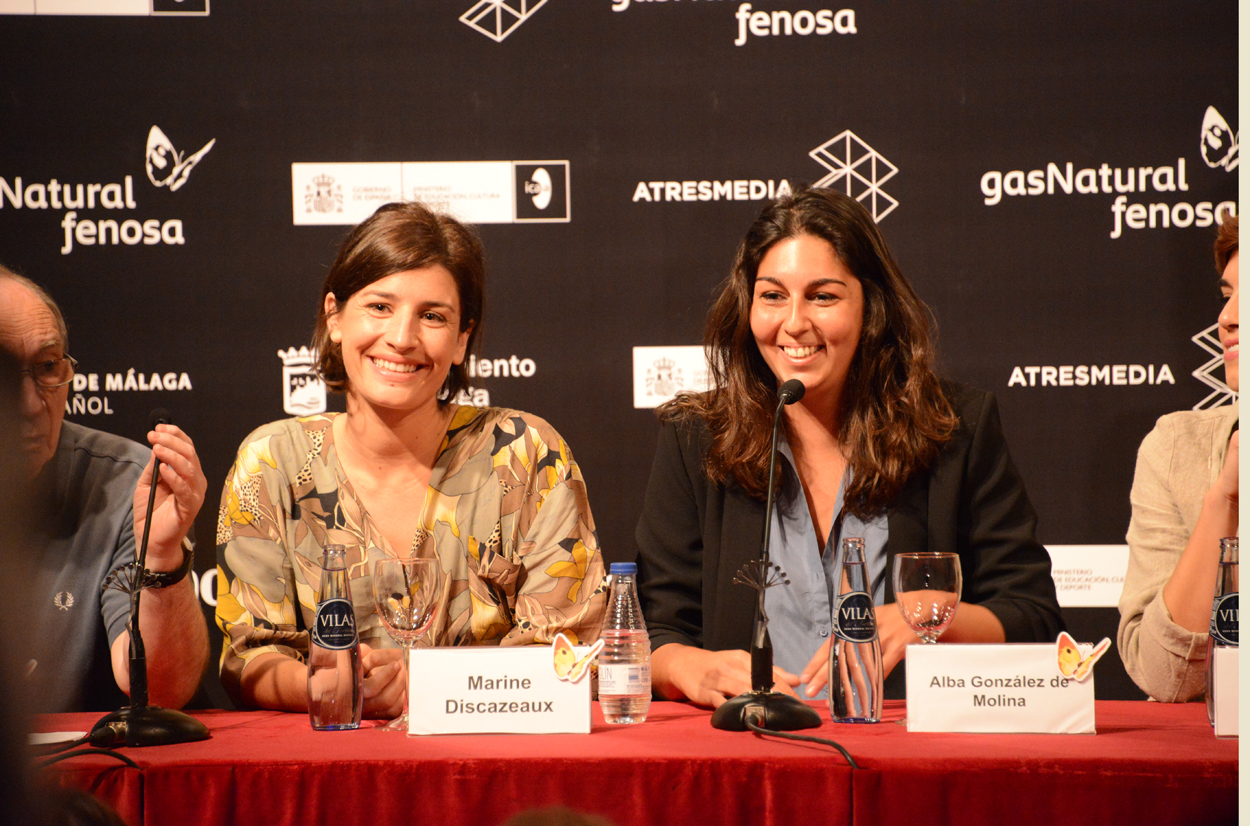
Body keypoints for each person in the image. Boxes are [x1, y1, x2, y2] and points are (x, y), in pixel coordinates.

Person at [635, 187, 1064, 707]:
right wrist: (689, 667)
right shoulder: (694, 436)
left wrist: (931, 618)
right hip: (753, 750)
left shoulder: (954, 429)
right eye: (772, 295)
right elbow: (650, 632)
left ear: (871, 308)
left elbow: (1035, 618)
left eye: (823, 296)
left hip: (908, 749)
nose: (794, 323)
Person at [215, 201, 608, 718]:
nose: (401, 339)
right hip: (334, 771)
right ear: (334, 316)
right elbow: (249, 656)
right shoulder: (271, 463)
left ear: (463, 338)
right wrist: (333, 685)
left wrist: (427, 687)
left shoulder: (526, 453)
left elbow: (571, 654)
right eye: (379, 306)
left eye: (432, 316)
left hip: (495, 766)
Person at [0, 268, 209, 714]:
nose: (30, 405)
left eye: (47, 367)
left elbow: (163, 690)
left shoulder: (124, 484)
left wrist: (160, 555)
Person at [1118, 215, 1239, 702]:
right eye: (1226, 293)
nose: (1227, 317)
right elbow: (1166, 679)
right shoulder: (1177, 449)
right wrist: (1224, 498)